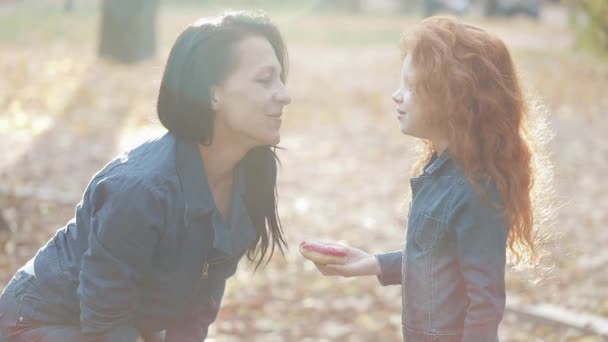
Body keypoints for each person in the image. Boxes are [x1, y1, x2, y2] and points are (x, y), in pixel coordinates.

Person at [0, 10, 291, 341]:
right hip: (36, 323)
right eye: (265, 80)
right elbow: (104, 322)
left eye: (280, 79)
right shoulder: (141, 189)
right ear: (213, 94)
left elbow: (200, 301)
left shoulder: (251, 176)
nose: (284, 94)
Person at [313, 16, 551, 341]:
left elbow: (485, 304)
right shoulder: (438, 173)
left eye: (411, 86)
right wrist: (371, 263)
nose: (397, 95)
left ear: (453, 97)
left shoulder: (477, 192)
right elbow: (438, 259)